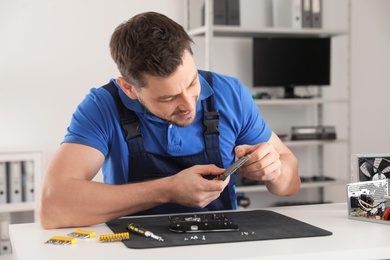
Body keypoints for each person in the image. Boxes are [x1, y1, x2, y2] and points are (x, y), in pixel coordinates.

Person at [39, 11, 300, 229]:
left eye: (192, 82)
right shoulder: (102, 106)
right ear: (129, 88)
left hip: (222, 246)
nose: (188, 105)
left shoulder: (230, 93)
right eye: (167, 98)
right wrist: (167, 190)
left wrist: (273, 171)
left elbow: (290, 182)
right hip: (133, 247)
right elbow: (53, 207)